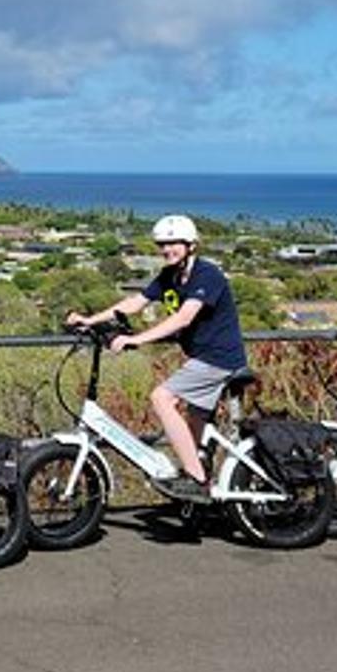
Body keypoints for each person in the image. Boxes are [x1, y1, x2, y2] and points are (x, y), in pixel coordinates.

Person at [65, 214, 245, 505]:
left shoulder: (207, 275)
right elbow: (134, 303)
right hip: (202, 357)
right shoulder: (169, 276)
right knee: (194, 417)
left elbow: (185, 317)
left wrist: (136, 340)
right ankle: (200, 470)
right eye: (163, 244)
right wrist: (90, 320)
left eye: (174, 243)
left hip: (219, 359)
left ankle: (197, 480)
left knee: (162, 398)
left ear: (191, 245)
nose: (167, 249)